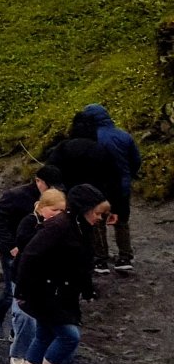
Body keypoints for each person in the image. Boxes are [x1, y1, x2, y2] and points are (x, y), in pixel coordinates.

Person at [14, 184, 109, 364]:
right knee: (69, 336)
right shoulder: (59, 226)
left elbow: (82, 262)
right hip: (43, 292)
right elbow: (30, 255)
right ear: (84, 209)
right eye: (97, 213)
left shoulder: (80, 226)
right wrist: (23, 290)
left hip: (60, 292)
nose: (100, 218)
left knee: (45, 335)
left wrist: (87, 289)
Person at [45, 108, 123, 273]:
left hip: (68, 197)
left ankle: (73, 263)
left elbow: (49, 171)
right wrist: (115, 206)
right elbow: (113, 178)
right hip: (94, 197)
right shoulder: (100, 149)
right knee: (91, 230)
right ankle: (97, 261)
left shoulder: (63, 148)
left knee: (69, 230)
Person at [0, 165, 64, 338]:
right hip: (14, 251)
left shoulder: (55, 199)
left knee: (33, 293)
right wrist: (10, 245)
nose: (54, 189)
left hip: (39, 254)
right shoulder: (16, 196)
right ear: (38, 181)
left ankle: (18, 333)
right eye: (50, 185)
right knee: (12, 291)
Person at [6, 188, 68, 364]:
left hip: (45, 280)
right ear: (42, 208)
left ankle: (34, 351)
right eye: (54, 210)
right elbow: (26, 243)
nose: (58, 215)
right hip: (22, 277)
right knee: (24, 316)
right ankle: (18, 352)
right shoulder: (29, 222)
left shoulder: (63, 227)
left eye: (62, 211)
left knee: (40, 319)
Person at [87, 104, 141, 272]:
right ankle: (125, 257)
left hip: (99, 187)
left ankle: (101, 259)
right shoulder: (124, 136)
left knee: (98, 222)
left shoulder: (92, 138)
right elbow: (136, 160)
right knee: (122, 221)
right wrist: (129, 175)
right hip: (122, 187)